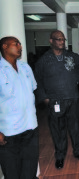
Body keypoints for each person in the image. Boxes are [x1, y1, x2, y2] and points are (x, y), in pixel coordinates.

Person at [34, 30, 79, 169]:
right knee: (58, 130)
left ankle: (78, 152)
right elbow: (37, 81)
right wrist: (45, 98)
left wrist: (74, 79)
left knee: (76, 128)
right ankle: (59, 156)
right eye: (58, 39)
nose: (62, 42)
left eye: (63, 39)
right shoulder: (43, 60)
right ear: (51, 41)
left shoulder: (71, 56)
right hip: (55, 101)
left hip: (73, 99)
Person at [0, 36, 39, 179]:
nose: (20, 47)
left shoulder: (25, 67)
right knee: (12, 173)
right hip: (9, 134)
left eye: (20, 44)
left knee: (29, 171)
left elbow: (33, 90)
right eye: (16, 44)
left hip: (30, 128)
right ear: (5, 47)